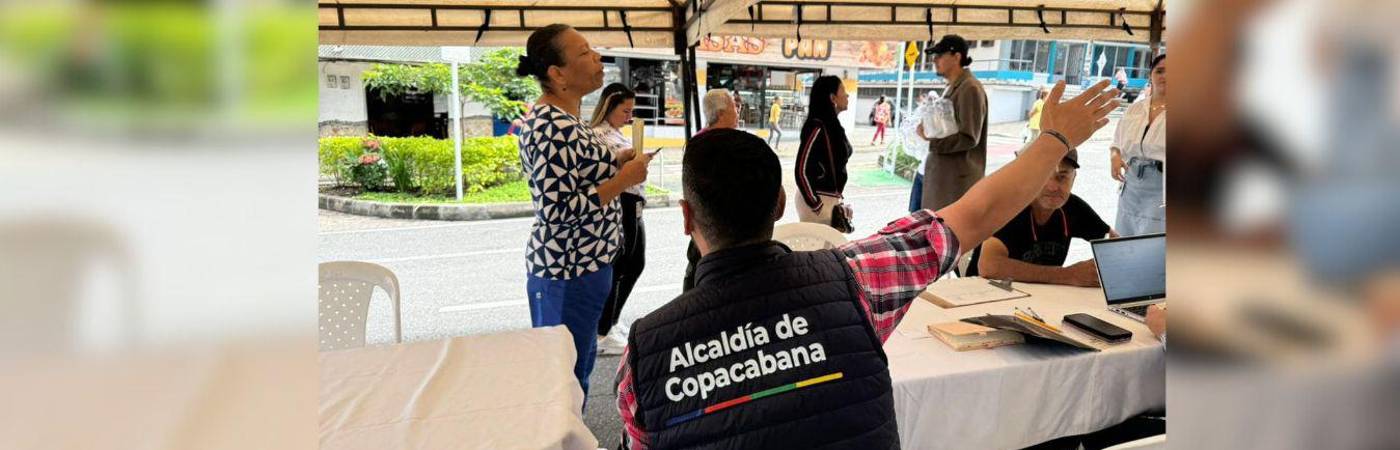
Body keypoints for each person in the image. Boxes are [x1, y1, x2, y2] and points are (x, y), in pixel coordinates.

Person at [615, 80, 1120, 450]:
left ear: (686, 217)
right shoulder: (857, 278)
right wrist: (1055, 138)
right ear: (779, 205)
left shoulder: (642, 357)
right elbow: (976, 214)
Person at [514, 24, 652, 398]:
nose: (597, 58)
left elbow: (580, 171)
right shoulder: (550, 126)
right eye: (585, 53)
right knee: (564, 380)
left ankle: (572, 427)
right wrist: (623, 179)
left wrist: (618, 159)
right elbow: (557, 210)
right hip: (567, 273)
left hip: (585, 267)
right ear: (557, 74)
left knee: (577, 368)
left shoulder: (568, 119)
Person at [965, 149, 1118, 287]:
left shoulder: (1073, 207)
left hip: (1039, 297)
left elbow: (1113, 241)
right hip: (985, 294)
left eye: (1062, 177)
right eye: (1044, 176)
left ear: (1073, 178)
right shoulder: (1011, 205)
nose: (1052, 187)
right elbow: (989, 266)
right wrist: (1068, 275)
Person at [587, 83, 645, 356]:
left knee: (635, 264)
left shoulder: (617, 133)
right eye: (625, 110)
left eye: (632, 111)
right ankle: (602, 330)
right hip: (620, 201)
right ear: (608, 107)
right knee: (620, 265)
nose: (629, 116)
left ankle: (611, 320)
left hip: (634, 202)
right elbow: (602, 173)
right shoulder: (597, 135)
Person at [918, 34, 989, 211]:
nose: (935, 60)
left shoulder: (969, 88)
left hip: (955, 186)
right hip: (945, 180)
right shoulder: (955, 86)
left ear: (957, 57)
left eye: (940, 55)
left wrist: (931, 140)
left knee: (948, 227)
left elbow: (968, 137)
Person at [682, 89, 743, 292]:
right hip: (713, 226)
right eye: (734, 106)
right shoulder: (707, 145)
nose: (738, 110)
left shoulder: (701, 140)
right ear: (722, 112)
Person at [1111, 54, 1166, 236]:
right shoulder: (1134, 109)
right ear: (1150, 75)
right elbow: (1117, 142)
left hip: (1162, 185)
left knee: (1155, 242)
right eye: (1159, 71)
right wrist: (1115, 157)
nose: (1165, 76)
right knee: (1125, 237)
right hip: (1132, 183)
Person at [795, 75, 854, 231]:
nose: (847, 95)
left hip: (827, 202)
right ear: (832, 98)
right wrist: (815, 203)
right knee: (818, 244)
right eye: (843, 90)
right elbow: (801, 170)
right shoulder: (817, 127)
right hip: (816, 204)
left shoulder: (833, 127)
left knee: (827, 245)